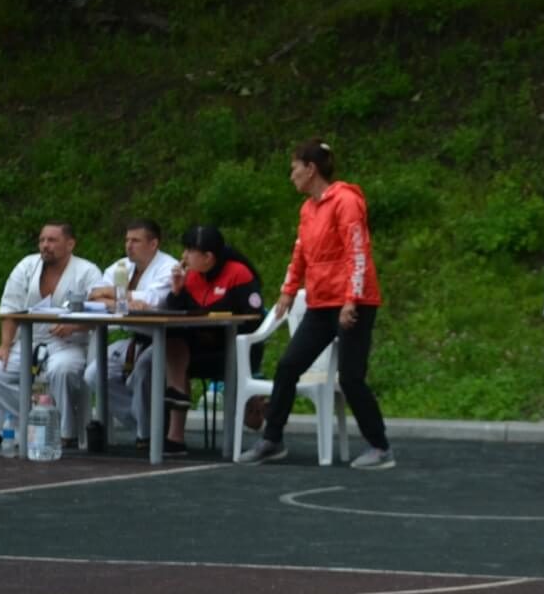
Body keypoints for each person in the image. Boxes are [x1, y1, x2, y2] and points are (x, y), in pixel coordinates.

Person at [238, 140, 394, 468]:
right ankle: (272, 440)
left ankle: (380, 447)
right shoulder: (308, 209)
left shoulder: (346, 201)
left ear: (311, 169)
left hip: (353, 302)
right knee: (288, 366)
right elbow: (301, 252)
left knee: (351, 377)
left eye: (294, 168)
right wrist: (288, 290)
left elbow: (357, 251)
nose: (291, 175)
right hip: (321, 302)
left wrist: (351, 300)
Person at [0, 222, 102, 453]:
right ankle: (25, 427)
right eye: (42, 240)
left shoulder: (87, 271)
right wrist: (5, 345)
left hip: (69, 344)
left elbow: (101, 311)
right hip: (29, 341)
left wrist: (75, 325)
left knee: (62, 370)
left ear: (70, 244)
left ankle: (65, 433)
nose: (45, 245)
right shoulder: (26, 266)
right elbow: (9, 308)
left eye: (52, 240)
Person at [156, 224, 266, 457]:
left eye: (189, 251)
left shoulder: (238, 274)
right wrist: (176, 291)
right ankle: (175, 429)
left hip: (235, 350)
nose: (184, 256)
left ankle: (251, 402)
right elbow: (175, 314)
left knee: (180, 358)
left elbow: (254, 318)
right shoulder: (190, 277)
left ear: (208, 257)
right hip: (200, 349)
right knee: (172, 337)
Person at [83, 217, 181, 452]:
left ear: (153, 244)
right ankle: (147, 422)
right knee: (94, 374)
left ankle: (147, 434)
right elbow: (93, 295)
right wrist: (121, 298)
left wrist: (112, 295)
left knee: (144, 370)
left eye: (136, 241)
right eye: (127, 240)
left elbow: (153, 300)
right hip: (133, 340)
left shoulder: (168, 267)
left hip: (166, 340)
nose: (129, 246)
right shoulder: (122, 266)